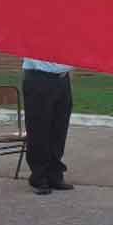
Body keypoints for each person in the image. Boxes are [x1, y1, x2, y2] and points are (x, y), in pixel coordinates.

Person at [21, 57, 75, 195]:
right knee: (39, 129)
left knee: (59, 130)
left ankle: (54, 174)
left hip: (63, 79)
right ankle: (38, 176)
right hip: (39, 77)